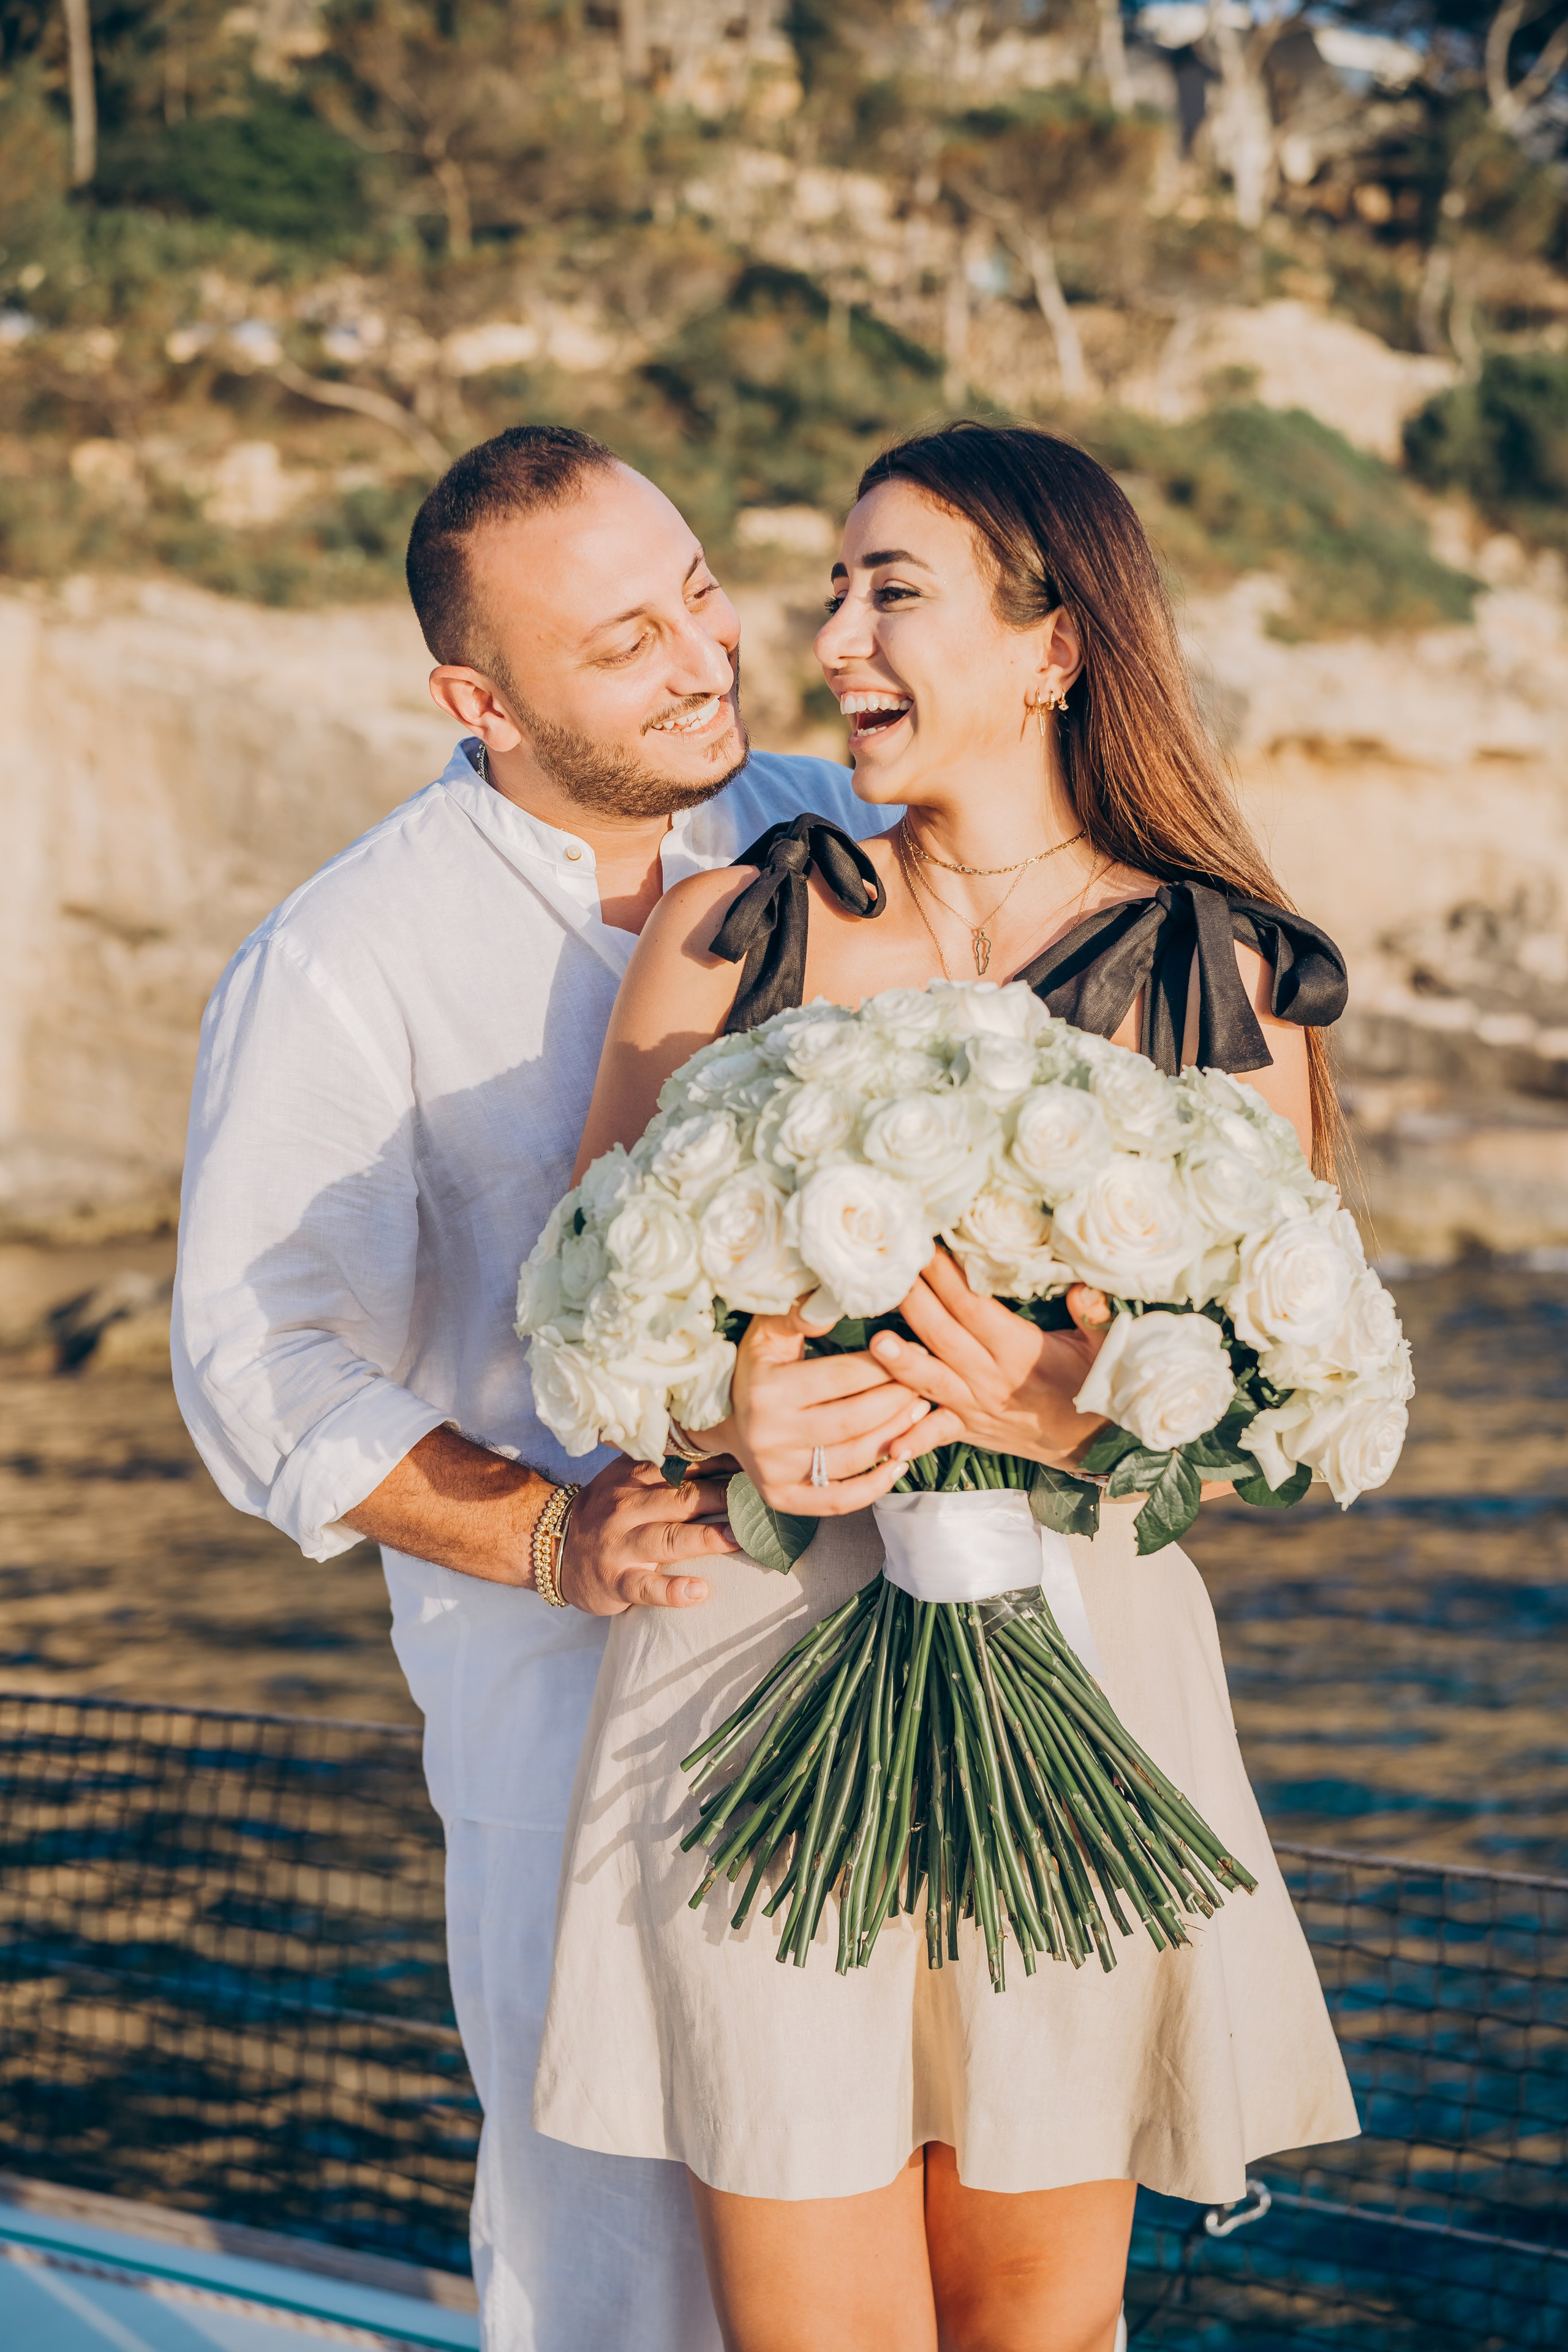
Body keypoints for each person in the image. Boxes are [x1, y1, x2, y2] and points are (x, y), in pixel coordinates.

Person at [531, 421, 1360, 2352]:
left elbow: (1281, 1394)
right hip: (750, 1692)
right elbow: (589, 1314)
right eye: (831, 591)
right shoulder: (740, 931)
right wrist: (726, 1417)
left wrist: (1097, 1417)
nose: (834, 639)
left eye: (890, 591)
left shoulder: (1223, 972)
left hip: (1081, 1677)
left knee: (1042, 2337)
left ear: (1054, 645)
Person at [170, 423, 907, 2352]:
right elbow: (252, 1356)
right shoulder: (348, 958)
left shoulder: (845, 818)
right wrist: (551, 1530)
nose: (699, 656)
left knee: (894, 2227)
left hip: (898, 1650)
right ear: (476, 700)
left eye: (695, 592)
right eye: (623, 641)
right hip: (567, 1717)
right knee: (617, 2261)